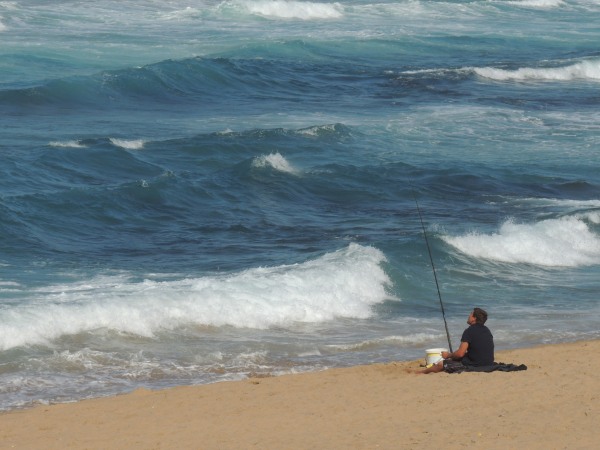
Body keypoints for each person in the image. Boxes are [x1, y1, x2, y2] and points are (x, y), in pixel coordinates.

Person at [419, 307, 494, 374]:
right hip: (488, 363)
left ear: (474, 318)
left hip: (476, 364)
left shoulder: (469, 331)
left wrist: (448, 355)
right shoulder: (487, 330)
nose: (468, 316)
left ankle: (421, 372)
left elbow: (460, 353)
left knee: (441, 364)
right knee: (458, 357)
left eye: (470, 314)